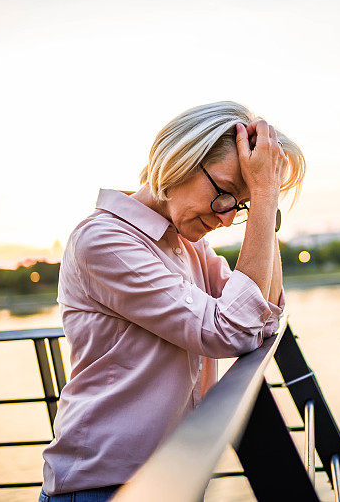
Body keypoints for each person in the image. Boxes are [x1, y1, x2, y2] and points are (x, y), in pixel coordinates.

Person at [38, 101, 306, 501]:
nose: (228, 218)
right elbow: (229, 331)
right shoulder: (103, 241)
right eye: (226, 193)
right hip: (104, 487)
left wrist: (265, 202)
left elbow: (262, 318)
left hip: (172, 478)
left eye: (243, 205)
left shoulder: (187, 245)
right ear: (179, 159)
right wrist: (265, 197)